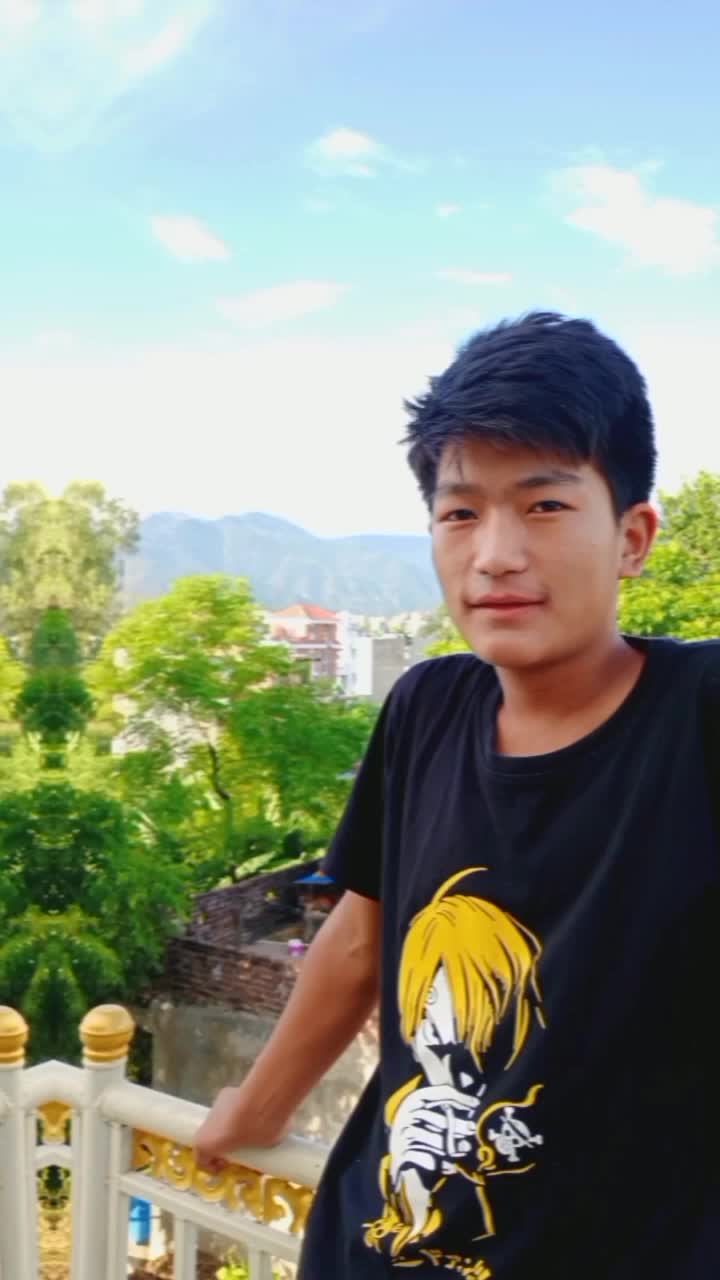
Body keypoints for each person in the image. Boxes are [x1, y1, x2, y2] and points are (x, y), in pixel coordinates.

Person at [193, 312, 720, 1278]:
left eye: (545, 505)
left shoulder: (698, 714)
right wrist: (257, 1106)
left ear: (633, 536)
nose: (496, 554)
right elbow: (359, 938)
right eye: (461, 512)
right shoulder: (426, 705)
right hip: (371, 1249)